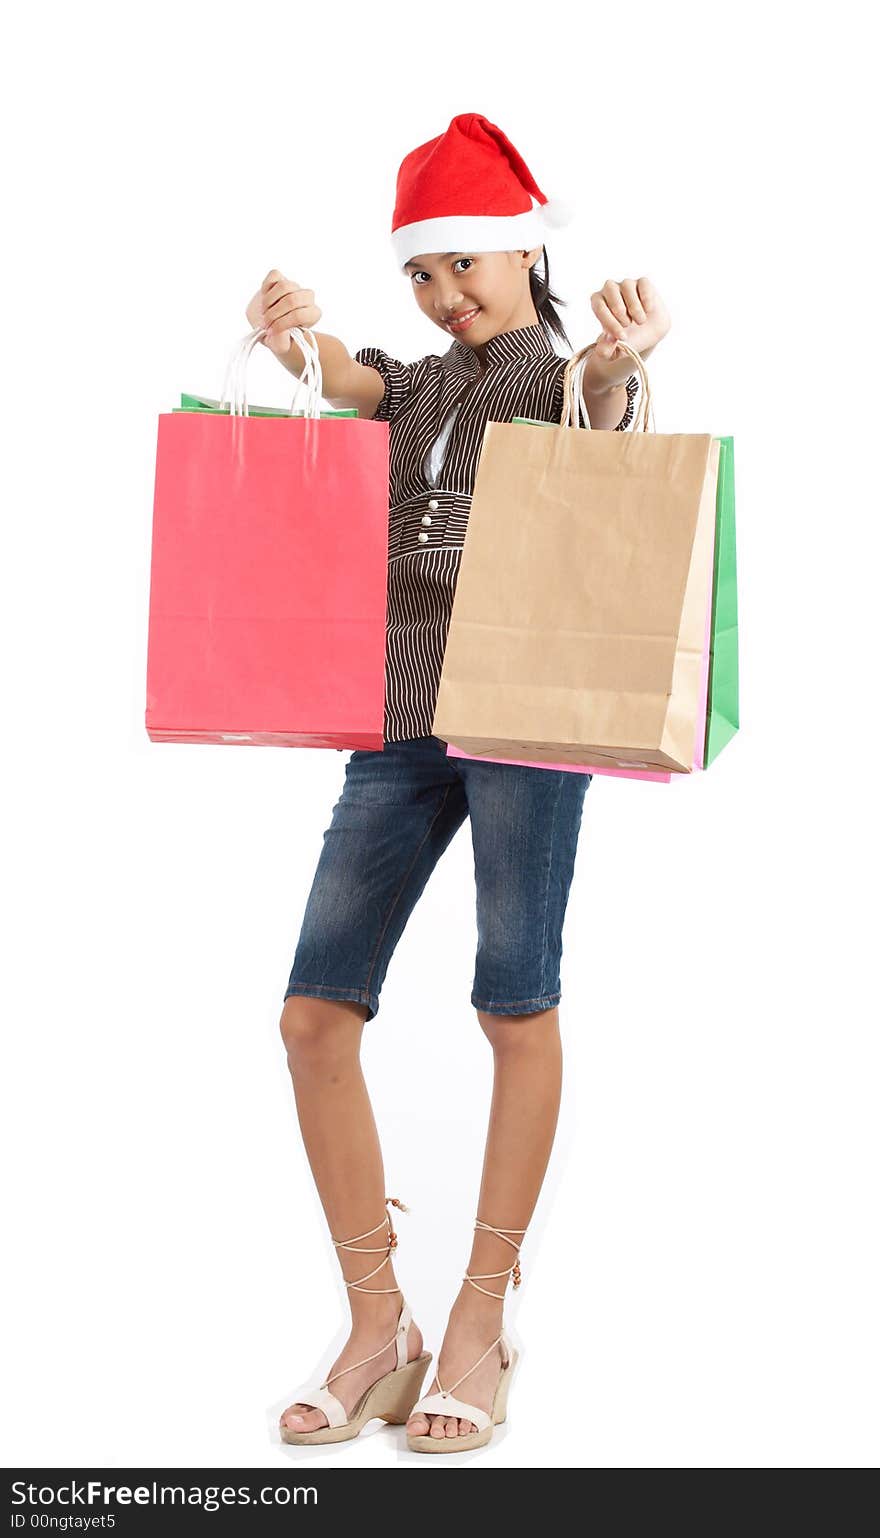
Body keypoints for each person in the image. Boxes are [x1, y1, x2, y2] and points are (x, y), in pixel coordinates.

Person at [245, 113, 671, 1454]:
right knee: (315, 1011)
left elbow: (600, 417)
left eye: (465, 266)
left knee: (512, 1001)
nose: (444, 294)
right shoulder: (424, 381)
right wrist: (283, 331)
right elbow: (345, 380)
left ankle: (482, 1314)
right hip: (401, 715)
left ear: (527, 250)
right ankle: (383, 1324)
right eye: (422, 275)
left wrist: (620, 372)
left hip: (530, 713)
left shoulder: (558, 372)